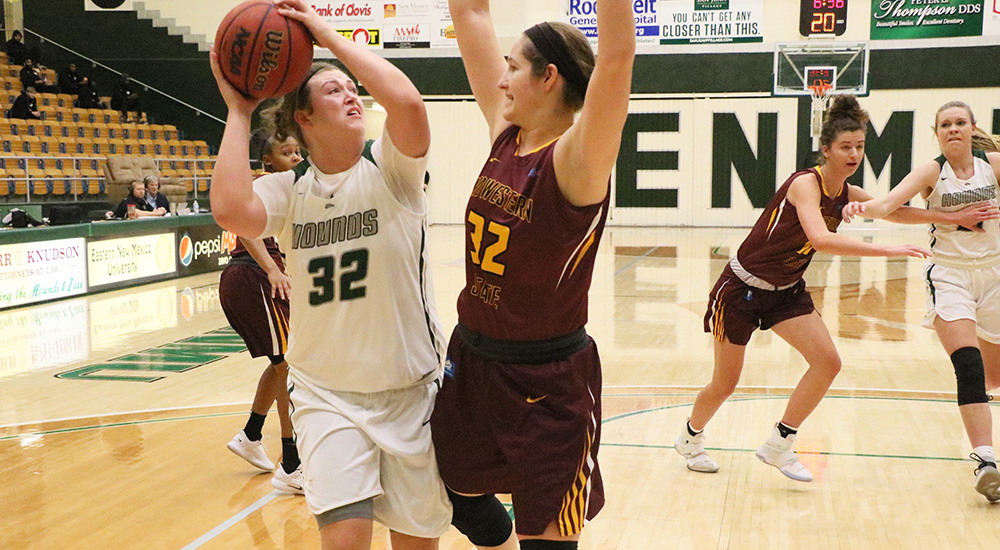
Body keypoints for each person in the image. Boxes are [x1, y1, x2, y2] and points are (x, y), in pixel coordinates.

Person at [209, 0, 451, 547]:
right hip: (326, 394)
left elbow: (408, 103)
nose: (352, 94)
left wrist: (327, 35)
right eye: (333, 90)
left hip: (409, 391)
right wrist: (239, 110)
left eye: (353, 87)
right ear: (303, 117)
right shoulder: (290, 192)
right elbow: (228, 210)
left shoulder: (391, 171)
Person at [674, 96, 1000, 484]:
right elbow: (821, 238)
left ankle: (779, 444)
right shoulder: (804, 184)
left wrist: (950, 216)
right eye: (846, 147)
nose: (854, 154)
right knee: (725, 383)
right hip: (741, 289)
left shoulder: (848, 192)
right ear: (826, 149)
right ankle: (691, 437)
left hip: (786, 291)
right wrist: (888, 249)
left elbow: (892, 209)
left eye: (860, 147)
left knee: (828, 362)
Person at [428, 1, 635, 549]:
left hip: (546, 382)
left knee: (546, 542)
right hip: (471, 363)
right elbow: (470, 15)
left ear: (549, 78)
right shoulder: (506, 134)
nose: (499, 80)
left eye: (513, 67)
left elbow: (615, 59)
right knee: (445, 487)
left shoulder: (578, 157)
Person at [841, 101, 1000, 501]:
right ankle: (986, 461)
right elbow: (888, 205)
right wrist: (860, 206)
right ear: (937, 133)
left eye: (959, 122)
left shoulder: (993, 164)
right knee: (969, 366)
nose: (953, 129)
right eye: (945, 124)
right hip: (949, 275)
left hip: (996, 274)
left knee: (995, 377)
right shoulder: (933, 171)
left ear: (972, 127)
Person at [222, 134, 304, 495]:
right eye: (287, 153)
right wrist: (272, 269)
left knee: (281, 362)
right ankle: (292, 464)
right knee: (289, 366)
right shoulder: (262, 186)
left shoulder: (292, 189)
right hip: (252, 276)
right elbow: (245, 230)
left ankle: (251, 435)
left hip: (253, 277)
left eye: (299, 151)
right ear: (268, 161)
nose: (297, 158)